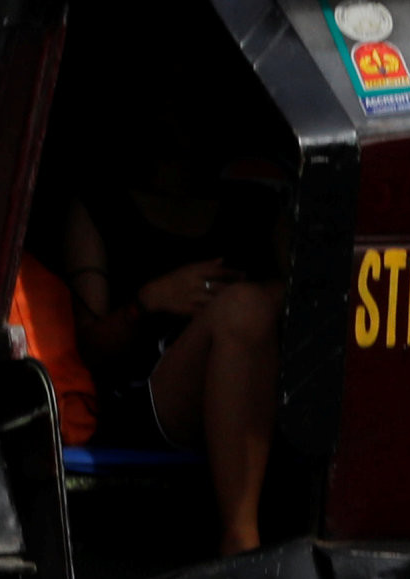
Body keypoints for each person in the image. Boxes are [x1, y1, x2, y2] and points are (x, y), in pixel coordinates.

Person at [60, 148, 288, 556]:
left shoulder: (253, 203)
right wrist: (149, 301)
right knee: (242, 310)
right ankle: (239, 542)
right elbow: (93, 348)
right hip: (143, 394)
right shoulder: (100, 206)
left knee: (251, 309)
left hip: (257, 376)